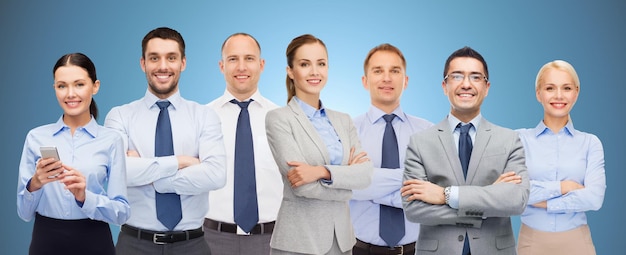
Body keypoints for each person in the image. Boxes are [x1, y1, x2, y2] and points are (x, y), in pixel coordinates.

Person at [104, 27, 227, 255]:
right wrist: (182, 161)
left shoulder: (205, 116)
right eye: (154, 58)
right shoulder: (120, 116)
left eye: (171, 58)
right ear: (143, 64)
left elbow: (216, 175)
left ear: (183, 63)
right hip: (134, 244)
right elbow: (115, 173)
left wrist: (152, 178)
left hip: (192, 245)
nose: (163, 66)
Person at [400, 46, 529, 255]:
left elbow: (516, 201)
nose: (466, 84)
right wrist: (487, 201)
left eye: (475, 77)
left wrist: (445, 195)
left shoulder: (510, 140)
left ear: (487, 87)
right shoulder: (419, 142)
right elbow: (415, 209)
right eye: (457, 76)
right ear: (445, 85)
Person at [265, 34, 373, 255]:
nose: (315, 71)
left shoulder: (343, 120)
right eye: (305, 64)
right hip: (298, 243)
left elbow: (365, 174)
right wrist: (347, 186)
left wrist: (321, 171)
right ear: (290, 71)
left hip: (342, 242)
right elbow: (302, 185)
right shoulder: (279, 119)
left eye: (321, 64)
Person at [17, 52, 130, 255]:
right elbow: (24, 214)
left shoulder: (111, 140)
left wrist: (85, 197)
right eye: (62, 86)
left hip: (94, 239)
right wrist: (35, 183)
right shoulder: (36, 137)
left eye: (79, 84)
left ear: (95, 86)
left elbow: (121, 213)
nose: (70, 94)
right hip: (45, 241)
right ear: (55, 89)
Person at [350, 43, 433, 255]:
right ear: (364, 81)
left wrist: (370, 181)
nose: (387, 78)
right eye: (378, 71)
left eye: (394, 71)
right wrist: (413, 179)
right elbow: (347, 187)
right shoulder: (347, 131)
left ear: (405, 81)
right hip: (359, 249)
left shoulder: (428, 132)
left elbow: (436, 191)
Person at [516, 60, 605, 255]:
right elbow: (513, 193)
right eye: (550, 88)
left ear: (576, 92)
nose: (559, 96)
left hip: (578, 242)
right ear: (538, 93)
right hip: (531, 242)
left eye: (566, 88)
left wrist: (544, 203)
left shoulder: (591, 143)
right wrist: (564, 187)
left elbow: (594, 199)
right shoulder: (519, 140)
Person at [204, 33, 282, 255]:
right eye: (232, 59)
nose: (241, 67)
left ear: (261, 64)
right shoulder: (201, 117)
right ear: (221, 66)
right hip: (212, 239)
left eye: (249, 58)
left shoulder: (282, 119)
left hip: (271, 240)